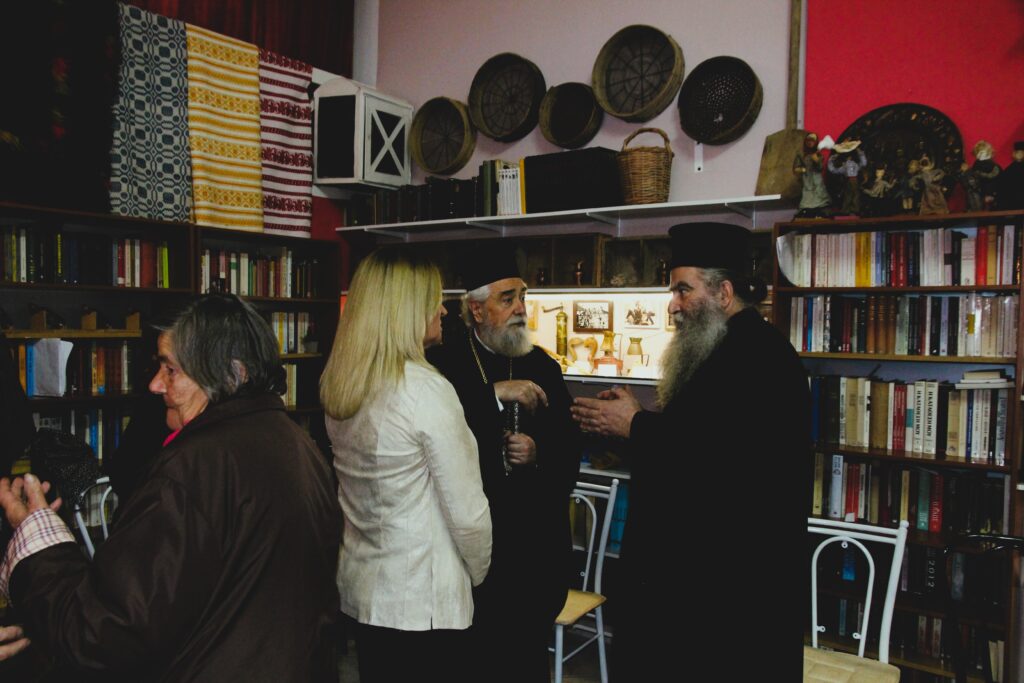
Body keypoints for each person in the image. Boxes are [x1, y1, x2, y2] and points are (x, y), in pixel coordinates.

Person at [0, 293, 341, 680]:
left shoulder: (192, 468)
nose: (155, 384)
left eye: (171, 370)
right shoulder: (297, 443)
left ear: (233, 373)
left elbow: (104, 633)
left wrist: (36, 538)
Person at [571, 222, 811, 680]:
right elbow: (699, 434)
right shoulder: (727, 348)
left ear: (724, 292)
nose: (673, 305)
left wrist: (634, 424)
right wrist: (637, 416)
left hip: (727, 590)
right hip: (706, 582)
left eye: (683, 290)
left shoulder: (756, 357)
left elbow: (718, 463)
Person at [320, 246, 491, 683]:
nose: (443, 310)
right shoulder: (425, 391)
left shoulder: (343, 383)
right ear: (406, 309)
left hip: (366, 588)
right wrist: (477, 574)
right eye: (434, 299)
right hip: (422, 601)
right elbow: (468, 514)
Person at [426, 245, 580, 683]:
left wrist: (538, 452)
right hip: (473, 547)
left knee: (525, 660)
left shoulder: (543, 366)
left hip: (532, 549)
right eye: (507, 299)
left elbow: (571, 446)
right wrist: (493, 394)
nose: (521, 309)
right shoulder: (444, 363)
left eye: (523, 297)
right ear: (476, 310)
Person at [793, 131, 832, 218]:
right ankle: (806, 211)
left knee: (819, 193)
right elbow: (795, 168)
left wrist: (816, 160)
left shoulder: (818, 155)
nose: (810, 143)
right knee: (807, 194)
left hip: (817, 178)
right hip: (807, 179)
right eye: (808, 140)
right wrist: (802, 169)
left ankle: (821, 211)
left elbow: (820, 168)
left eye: (812, 141)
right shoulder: (801, 154)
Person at [999, 141, 1024, 210]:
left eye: (1021, 152)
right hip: (1012, 203)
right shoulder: (1009, 169)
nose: (1019, 154)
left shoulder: (1009, 169)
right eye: (1018, 152)